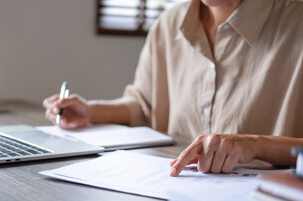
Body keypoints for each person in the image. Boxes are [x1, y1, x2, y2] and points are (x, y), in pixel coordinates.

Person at [43, 0, 303, 176]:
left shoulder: (296, 23)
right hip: (171, 195)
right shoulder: (168, 25)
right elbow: (145, 105)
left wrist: (255, 145)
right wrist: (90, 111)